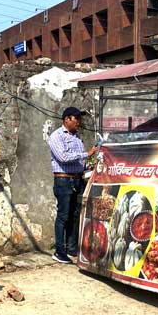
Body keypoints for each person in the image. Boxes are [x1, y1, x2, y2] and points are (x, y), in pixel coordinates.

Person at [47, 106, 97, 264]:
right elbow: (63, 157)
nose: (79, 122)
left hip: (77, 179)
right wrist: (86, 154)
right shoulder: (56, 136)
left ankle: (72, 248)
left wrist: (90, 166)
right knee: (63, 215)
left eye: (79, 119)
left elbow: (80, 162)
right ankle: (59, 251)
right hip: (63, 180)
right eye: (76, 119)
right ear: (67, 119)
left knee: (75, 215)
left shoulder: (77, 138)